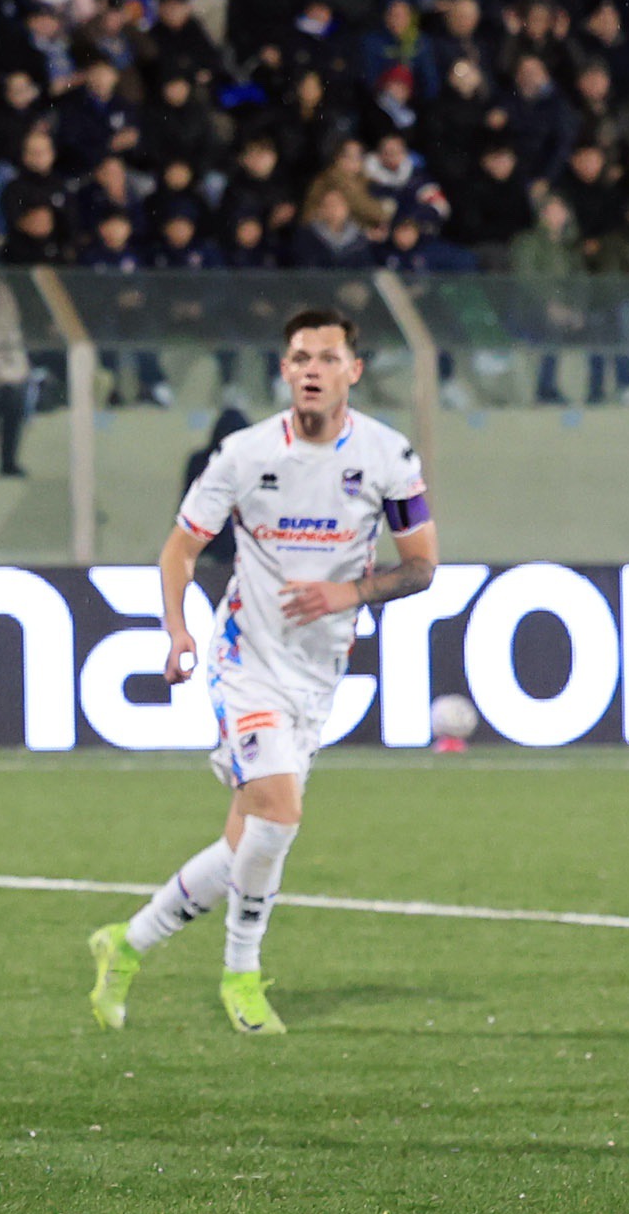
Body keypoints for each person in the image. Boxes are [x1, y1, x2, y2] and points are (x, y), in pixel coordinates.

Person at [88, 306, 438, 1037]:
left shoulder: (389, 457)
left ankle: (127, 942)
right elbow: (179, 550)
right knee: (279, 813)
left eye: (327, 358)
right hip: (244, 658)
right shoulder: (242, 455)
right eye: (300, 358)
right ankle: (241, 975)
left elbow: (421, 568)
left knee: (245, 842)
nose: (312, 370)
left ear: (353, 371)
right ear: (284, 371)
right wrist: (178, 629)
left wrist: (348, 593)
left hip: (318, 673)